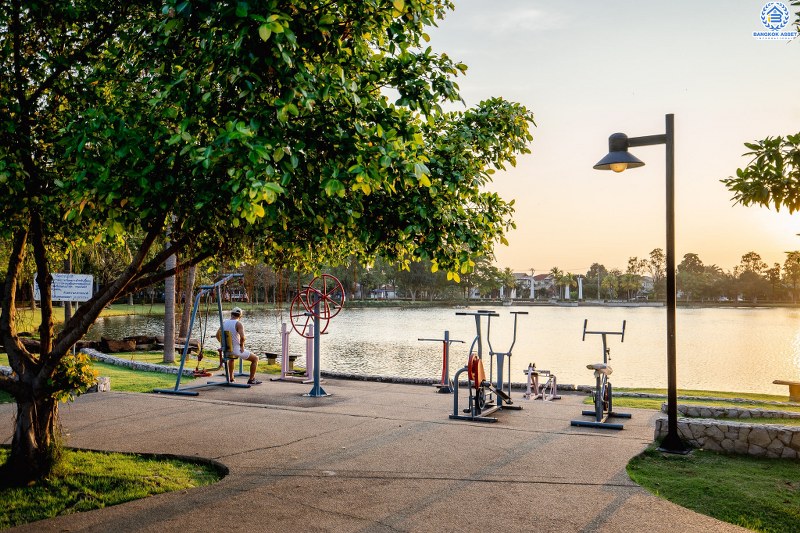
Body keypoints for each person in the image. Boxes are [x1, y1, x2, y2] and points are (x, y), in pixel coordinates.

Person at [218, 307, 261, 385]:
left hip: (227, 350)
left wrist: (223, 344)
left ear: (231, 314)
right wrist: (242, 346)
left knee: (231, 359)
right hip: (236, 351)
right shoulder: (238, 324)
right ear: (240, 316)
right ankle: (251, 379)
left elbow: (217, 335)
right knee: (255, 359)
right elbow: (243, 337)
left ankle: (231, 378)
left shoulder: (224, 323)